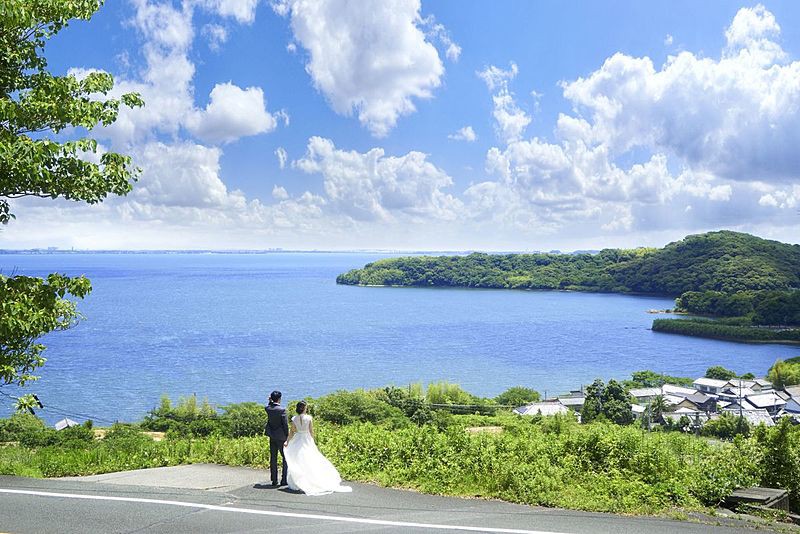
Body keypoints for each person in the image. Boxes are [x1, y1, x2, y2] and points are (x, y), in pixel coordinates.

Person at [284, 401, 352, 495]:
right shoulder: (309, 418)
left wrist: (287, 441)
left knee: (298, 460)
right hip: (306, 439)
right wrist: (313, 441)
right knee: (310, 459)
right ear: (304, 408)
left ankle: (298, 481)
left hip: (298, 439)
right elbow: (311, 431)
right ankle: (310, 479)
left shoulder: (294, 418)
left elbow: (292, 431)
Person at [264, 390, 289, 486]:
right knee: (285, 458)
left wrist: (270, 401)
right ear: (279, 399)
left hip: (272, 436)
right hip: (281, 437)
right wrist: (287, 436)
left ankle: (274, 480)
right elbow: (285, 425)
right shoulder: (282, 410)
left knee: (273, 458)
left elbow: (269, 406)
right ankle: (284, 480)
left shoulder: (268, 408)